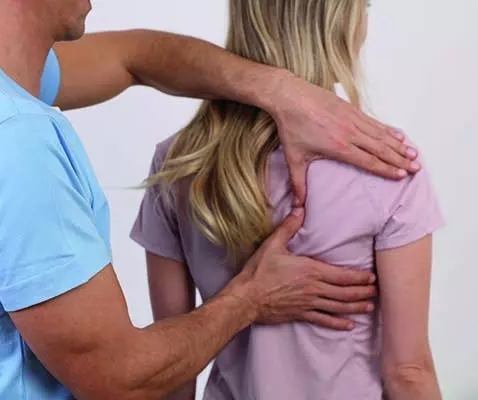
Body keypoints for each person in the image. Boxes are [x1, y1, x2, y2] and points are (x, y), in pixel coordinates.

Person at [0, 0, 420, 399]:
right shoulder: (10, 143)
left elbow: (136, 57)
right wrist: (250, 297)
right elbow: (118, 378)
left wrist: (279, 90)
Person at [131, 1, 444, 399]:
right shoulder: (387, 164)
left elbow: (172, 373)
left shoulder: (180, 163)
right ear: (335, 23)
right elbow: (408, 373)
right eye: (363, 6)